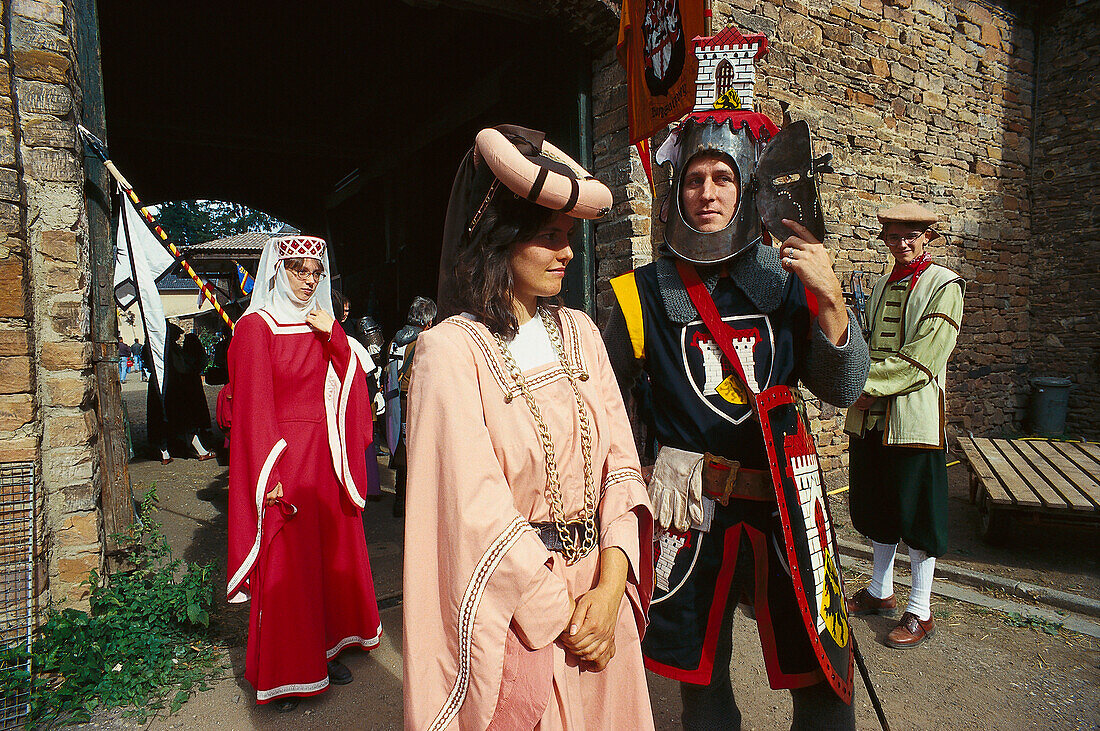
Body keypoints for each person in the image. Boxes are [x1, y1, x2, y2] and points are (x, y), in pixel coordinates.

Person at [602, 32, 869, 729]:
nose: (708, 191)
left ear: (746, 184)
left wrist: (834, 304)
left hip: (785, 505)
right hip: (692, 513)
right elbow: (615, 427)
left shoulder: (786, 281)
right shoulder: (639, 296)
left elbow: (841, 388)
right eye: (695, 178)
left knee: (822, 678)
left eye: (722, 177)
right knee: (703, 685)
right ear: (677, 188)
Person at [404, 125, 655, 729]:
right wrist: (562, 614)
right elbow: (473, 507)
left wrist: (610, 586)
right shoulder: (449, 351)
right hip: (524, 616)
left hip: (602, 597)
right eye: (549, 237)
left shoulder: (583, 333)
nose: (568, 252)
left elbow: (621, 465)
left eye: (569, 236)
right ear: (501, 240)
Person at [225, 234, 382, 712]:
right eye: (298, 270)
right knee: (288, 570)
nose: (308, 281)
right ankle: (287, 673)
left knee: (326, 561)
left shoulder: (320, 324)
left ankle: (325, 648)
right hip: (284, 460)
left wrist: (332, 333)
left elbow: (352, 379)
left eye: (315, 272)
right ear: (277, 270)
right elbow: (253, 405)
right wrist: (268, 470)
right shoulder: (255, 327)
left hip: (325, 461)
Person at [844, 203, 965, 649]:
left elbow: (927, 356)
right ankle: (880, 591)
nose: (902, 244)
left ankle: (921, 608)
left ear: (928, 237)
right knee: (878, 507)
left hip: (914, 421)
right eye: (894, 237)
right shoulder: (878, 286)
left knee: (918, 515)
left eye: (911, 235)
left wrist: (864, 385)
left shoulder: (945, 284)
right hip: (873, 421)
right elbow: (868, 341)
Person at [384, 295, 436, 517]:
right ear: (427, 321)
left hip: (394, 403)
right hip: (414, 403)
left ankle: (399, 499)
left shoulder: (394, 340)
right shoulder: (424, 342)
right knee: (418, 452)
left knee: (399, 450)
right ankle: (412, 503)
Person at [165, 331, 216, 460]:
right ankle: (201, 451)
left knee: (186, 419)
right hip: (184, 386)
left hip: (182, 386)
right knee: (188, 420)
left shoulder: (174, 350)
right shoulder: (175, 351)